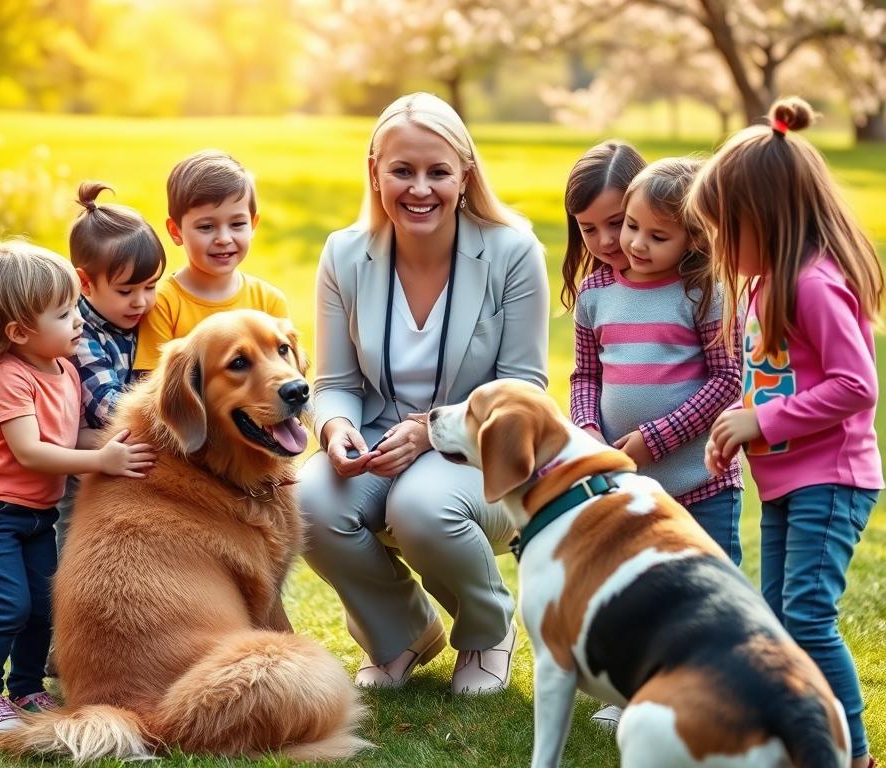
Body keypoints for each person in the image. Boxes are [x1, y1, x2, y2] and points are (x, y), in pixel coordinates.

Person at [300, 92, 549, 695]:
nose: (419, 188)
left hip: (480, 451)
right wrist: (335, 430)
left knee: (420, 506)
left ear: (465, 174)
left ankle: (487, 628)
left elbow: (524, 390)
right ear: (374, 171)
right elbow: (334, 384)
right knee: (309, 502)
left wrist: (428, 433)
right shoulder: (344, 255)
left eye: (437, 172)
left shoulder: (513, 252)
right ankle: (402, 631)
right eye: (402, 171)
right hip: (380, 440)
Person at [692, 97, 883, 768]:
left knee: (805, 617)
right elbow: (777, 374)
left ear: (764, 218)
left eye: (725, 228)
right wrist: (739, 426)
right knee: (774, 621)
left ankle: (851, 754)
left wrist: (762, 420)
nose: (718, 244)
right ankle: (799, 740)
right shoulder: (766, 282)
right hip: (787, 480)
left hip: (833, 480)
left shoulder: (813, 283)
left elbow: (858, 386)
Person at [0, 241, 156, 737]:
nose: (79, 321)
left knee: (46, 603)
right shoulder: (8, 380)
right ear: (20, 332)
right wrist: (100, 460)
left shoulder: (63, 369)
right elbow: (32, 452)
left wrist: (124, 444)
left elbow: (68, 436)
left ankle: (25, 687)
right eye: (64, 314)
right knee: (11, 606)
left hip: (36, 514)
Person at [571, 157, 744, 731]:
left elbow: (727, 380)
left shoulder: (702, 291)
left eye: (656, 234)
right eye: (630, 228)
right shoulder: (596, 292)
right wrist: (590, 434)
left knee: (706, 595)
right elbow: (585, 376)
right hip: (626, 485)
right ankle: (639, 693)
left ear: (694, 236)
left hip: (702, 482)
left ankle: (717, 696)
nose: (633, 243)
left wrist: (652, 439)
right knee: (636, 592)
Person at [55, 181, 166, 553]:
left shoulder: (137, 319)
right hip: (83, 471)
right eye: (126, 291)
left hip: (124, 459)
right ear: (84, 281)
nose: (141, 301)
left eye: (151, 286)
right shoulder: (82, 336)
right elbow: (110, 409)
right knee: (74, 552)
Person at [133, 149, 288, 372]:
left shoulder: (269, 301)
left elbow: (287, 375)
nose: (224, 239)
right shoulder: (163, 303)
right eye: (206, 227)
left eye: (237, 224)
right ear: (176, 231)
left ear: (253, 224)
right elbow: (154, 388)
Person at [560, 139, 645, 313]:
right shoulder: (592, 294)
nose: (606, 241)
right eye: (589, 229)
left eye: (617, 222)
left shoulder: (696, 287)